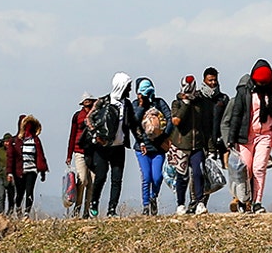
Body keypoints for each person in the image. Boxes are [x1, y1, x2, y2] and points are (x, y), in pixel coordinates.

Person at [224, 60, 272, 212]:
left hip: (265, 135)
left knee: (259, 168)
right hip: (245, 137)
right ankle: (244, 200)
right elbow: (236, 115)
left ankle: (257, 202)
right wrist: (231, 138)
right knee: (246, 169)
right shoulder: (244, 92)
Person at [83, 74, 134, 217]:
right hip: (102, 148)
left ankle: (112, 209)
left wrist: (140, 139)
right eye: (128, 87)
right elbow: (88, 119)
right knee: (100, 177)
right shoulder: (103, 101)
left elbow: (132, 123)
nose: (130, 90)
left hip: (119, 147)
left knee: (117, 179)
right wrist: (96, 134)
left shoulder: (127, 104)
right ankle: (94, 202)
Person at [167, 77, 211, 215]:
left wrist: (209, 146)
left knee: (198, 173)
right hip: (181, 145)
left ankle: (199, 202)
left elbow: (206, 124)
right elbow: (176, 121)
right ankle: (180, 204)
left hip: (197, 145)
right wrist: (185, 103)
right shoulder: (177, 103)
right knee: (182, 176)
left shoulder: (200, 103)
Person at [130, 77, 173, 216]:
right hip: (142, 149)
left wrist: (163, 136)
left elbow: (169, 118)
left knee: (157, 177)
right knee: (146, 177)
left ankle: (153, 197)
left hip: (158, 148)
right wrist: (142, 106)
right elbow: (133, 123)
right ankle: (146, 205)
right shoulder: (135, 105)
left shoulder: (159, 103)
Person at [66, 95, 96, 217]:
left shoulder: (97, 115)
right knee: (82, 179)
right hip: (80, 151)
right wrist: (69, 155)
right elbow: (72, 135)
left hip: (94, 152)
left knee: (92, 182)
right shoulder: (77, 116)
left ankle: (87, 211)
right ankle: (77, 207)